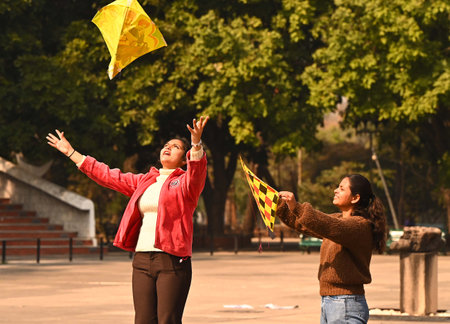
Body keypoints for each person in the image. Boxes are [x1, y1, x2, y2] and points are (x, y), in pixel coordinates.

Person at [46, 116, 209, 324]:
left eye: (175, 147)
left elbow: (197, 171)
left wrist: (195, 144)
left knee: (167, 319)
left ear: (184, 158)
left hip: (172, 260)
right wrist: (71, 153)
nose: (167, 148)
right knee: (142, 320)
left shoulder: (186, 183)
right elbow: (107, 175)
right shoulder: (144, 181)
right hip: (142, 260)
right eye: (166, 145)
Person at [278, 174, 387, 324]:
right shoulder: (338, 220)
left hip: (346, 305)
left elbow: (327, 225)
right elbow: (304, 224)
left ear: (355, 198)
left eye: (341, 188)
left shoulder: (359, 225)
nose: (336, 190)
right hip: (332, 303)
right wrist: (281, 207)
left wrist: (297, 206)